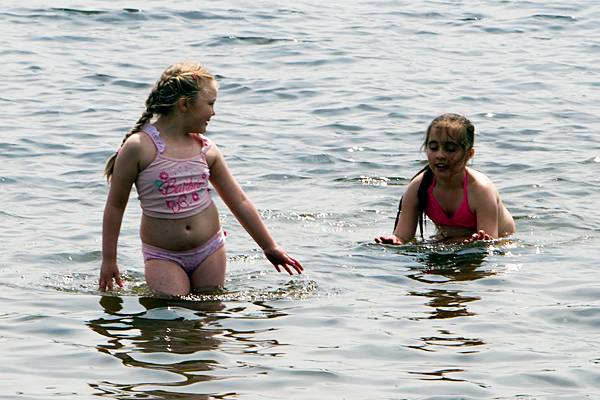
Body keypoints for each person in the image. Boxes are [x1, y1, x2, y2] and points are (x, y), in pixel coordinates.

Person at [99, 62, 303, 296]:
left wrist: (269, 246)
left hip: (209, 250)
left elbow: (239, 200)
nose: (214, 112)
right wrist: (109, 259)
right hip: (164, 256)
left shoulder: (206, 149)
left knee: (210, 315)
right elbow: (115, 206)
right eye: (210, 104)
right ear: (185, 104)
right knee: (172, 314)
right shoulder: (139, 147)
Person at [375, 113, 516, 245]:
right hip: (448, 242)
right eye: (433, 147)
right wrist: (394, 241)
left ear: (469, 154)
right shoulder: (418, 187)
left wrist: (480, 243)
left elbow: (491, 242)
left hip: (503, 243)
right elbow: (403, 236)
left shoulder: (481, 190)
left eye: (450, 149)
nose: (440, 155)